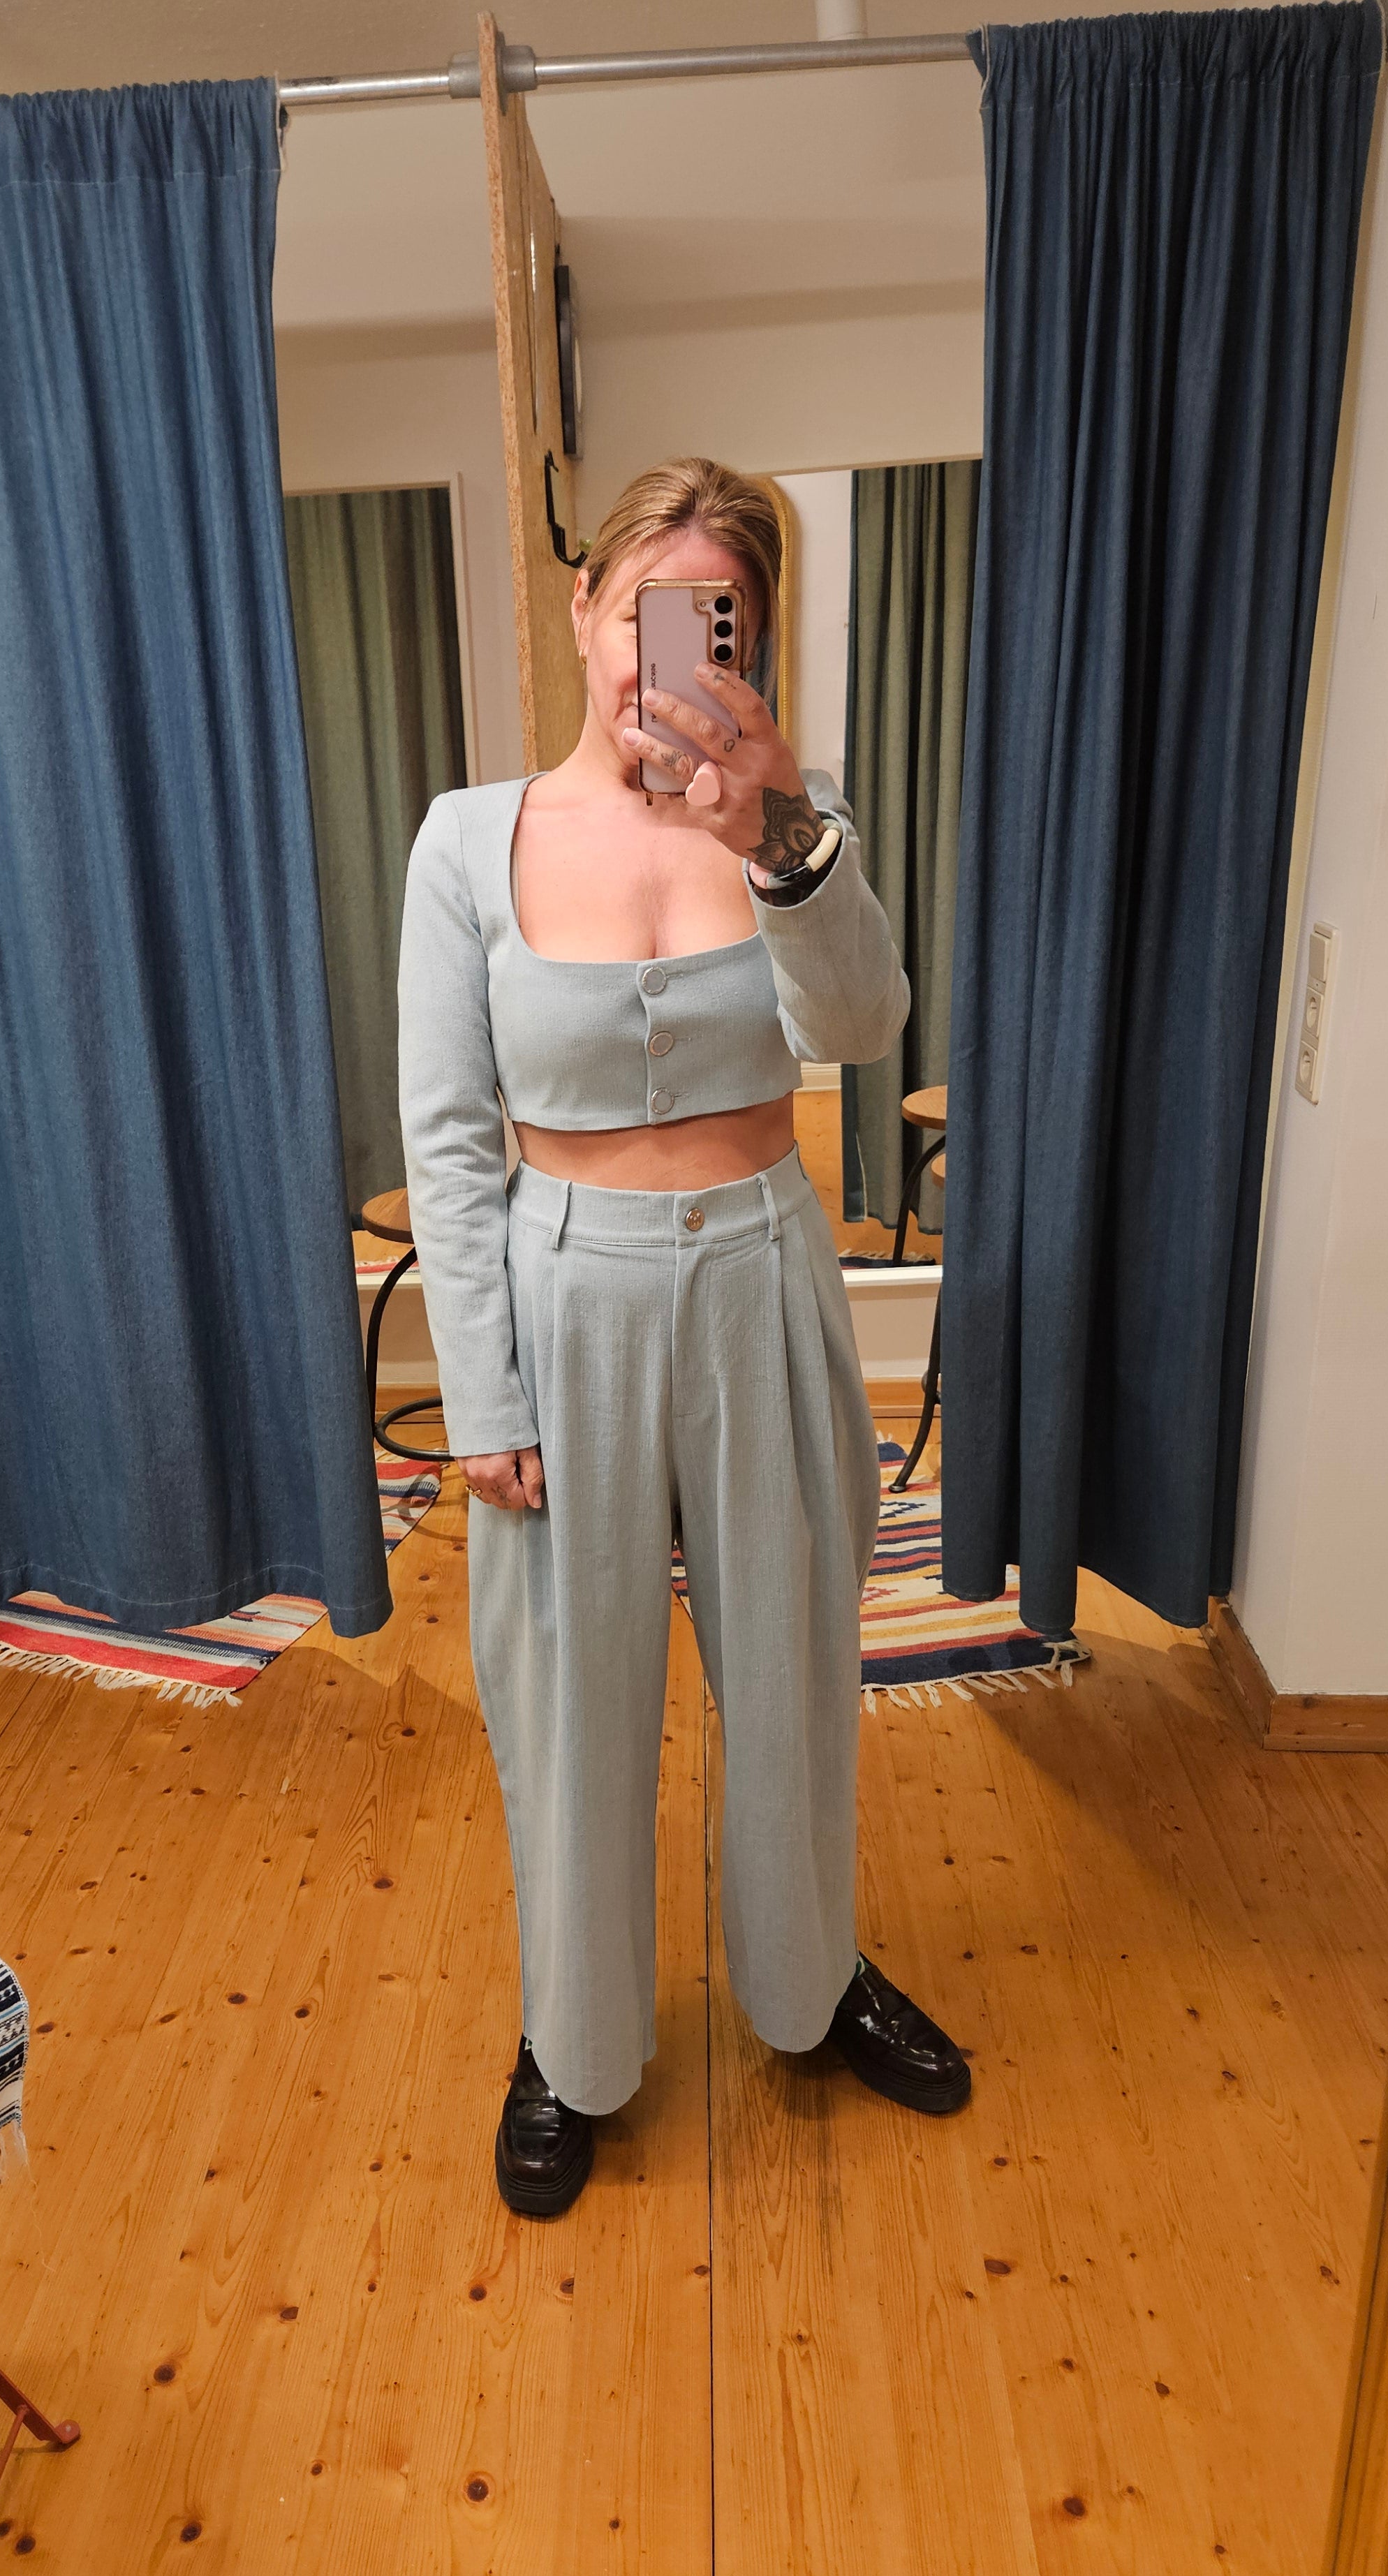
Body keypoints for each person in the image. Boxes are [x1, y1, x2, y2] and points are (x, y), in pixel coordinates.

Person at [398, 457, 969, 2218]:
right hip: (559, 1289)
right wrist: (480, 1391)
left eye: (717, 615)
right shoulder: (467, 839)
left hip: (760, 1273)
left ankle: (811, 1981)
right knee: (569, 1694)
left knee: (791, 1666)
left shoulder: (793, 817)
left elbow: (862, 1023)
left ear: (749, 638)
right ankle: (569, 2039)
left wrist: (777, 835)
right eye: (649, 600)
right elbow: (449, 1137)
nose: (671, 645)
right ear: (587, 606)